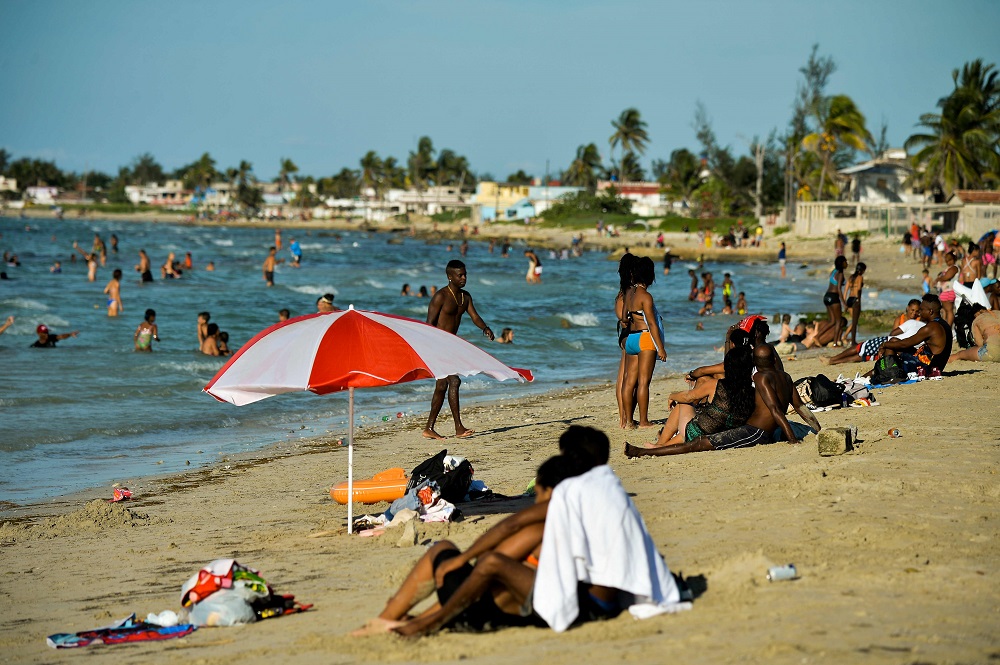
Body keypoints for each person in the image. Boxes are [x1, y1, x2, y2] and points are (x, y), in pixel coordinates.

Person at [390, 426, 687, 636]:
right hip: (606, 595)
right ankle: (430, 616)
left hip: (592, 604)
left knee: (494, 561)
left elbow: (513, 523)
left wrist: (461, 559)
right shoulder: (609, 487)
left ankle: (430, 622)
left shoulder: (579, 490)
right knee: (512, 557)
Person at [353, 454, 583, 636]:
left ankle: (385, 620)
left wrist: (426, 620)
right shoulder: (574, 523)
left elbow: (481, 578)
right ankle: (392, 621)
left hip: (491, 615)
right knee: (464, 563)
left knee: (441, 551)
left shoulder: (539, 529)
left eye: (540, 493)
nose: (537, 500)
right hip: (511, 609)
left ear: (551, 492)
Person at [627, 344, 821, 456]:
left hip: (755, 432)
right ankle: (653, 449)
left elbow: (775, 410)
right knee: (701, 441)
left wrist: (793, 439)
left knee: (700, 443)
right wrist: (818, 429)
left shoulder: (760, 377)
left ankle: (647, 452)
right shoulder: (785, 377)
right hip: (748, 428)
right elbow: (800, 407)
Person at [635, 331, 755, 449]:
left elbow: (688, 397)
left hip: (703, 435)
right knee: (699, 423)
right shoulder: (751, 391)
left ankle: (659, 444)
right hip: (722, 435)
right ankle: (662, 445)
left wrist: (672, 396)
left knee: (683, 404)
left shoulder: (716, 385)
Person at [423, 260, 494, 440]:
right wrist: (430, 349)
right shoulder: (440, 297)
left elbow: (474, 316)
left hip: (450, 346)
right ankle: (459, 428)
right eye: (460, 275)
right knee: (454, 382)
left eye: (465, 274)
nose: (464, 278)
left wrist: (484, 328)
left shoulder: (465, 297)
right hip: (437, 346)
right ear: (449, 276)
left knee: (442, 386)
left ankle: (429, 428)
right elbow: (428, 324)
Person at [621, 258, 667, 430]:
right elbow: (652, 324)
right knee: (643, 382)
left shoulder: (629, 293)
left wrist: (629, 320)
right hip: (646, 338)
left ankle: (628, 421)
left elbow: (624, 318)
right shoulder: (646, 297)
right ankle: (644, 421)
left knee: (629, 382)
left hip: (631, 339)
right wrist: (661, 348)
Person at [822, 303, 924, 366]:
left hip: (891, 342)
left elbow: (893, 333)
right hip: (899, 349)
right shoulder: (924, 328)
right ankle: (834, 360)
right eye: (913, 310)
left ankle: (833, 360)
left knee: (861, 348)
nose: (914, 313)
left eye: (917, 311)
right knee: (865, 355)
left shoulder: (913, 322)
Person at [880, 294, 952, 376]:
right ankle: (879, 373)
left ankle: (885, 375)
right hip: (930, 363)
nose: (919, 313)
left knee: (890, 347)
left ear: (930, 311)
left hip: (925, 368)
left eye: (921, 310)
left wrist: (884, 344)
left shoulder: (931, 327)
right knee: (894, 341)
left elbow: (905, 344)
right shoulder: (943, 324)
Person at [615, 253, 638, 429]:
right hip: (631, 334)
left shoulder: (621, 291)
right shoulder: (632, 291)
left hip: (623, 335)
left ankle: (622, 418)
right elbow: (626, 319)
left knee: (622, 377)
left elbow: (620, 317)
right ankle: (626, 418)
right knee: (630, 378)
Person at [824, 256, 848, 347]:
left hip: (827, 296)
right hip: (834, 297)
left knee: (832, 321)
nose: (847, 263)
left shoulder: (833, 272)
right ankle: (835, 342)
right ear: (842, 263)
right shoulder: (840, 274)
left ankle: (817, 337)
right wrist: (844, 303)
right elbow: (838, 289)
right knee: (838, 321)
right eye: (845, 262)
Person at [843, 262, 866, 346]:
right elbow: (859, 289)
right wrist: (858, 301)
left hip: (849, 299)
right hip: (855, 299)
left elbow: (845, 291)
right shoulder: (860, 277)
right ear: (862, 270)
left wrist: (844, 303)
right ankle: (848, 338)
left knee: (853, 321)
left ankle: (845, 337)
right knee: (855, 321)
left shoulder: (851, 277)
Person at [934, 252, 959, 325]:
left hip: (949, 291)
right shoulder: (950, 268)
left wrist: (938, 279)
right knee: (946, 311)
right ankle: (947, 326)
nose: (948, 262)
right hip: (946, 291)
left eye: (950, 260)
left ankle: (949, 327)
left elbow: (947, 277)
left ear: (954, 259)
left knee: (949, 310)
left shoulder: (954, 268)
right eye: (947, 260)